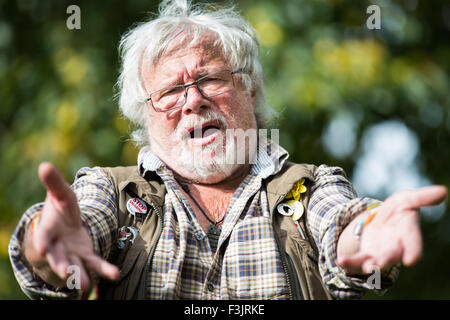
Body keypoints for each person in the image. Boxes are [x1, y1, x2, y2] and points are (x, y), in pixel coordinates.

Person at [9, 0, 447, 300]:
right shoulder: (112, 191)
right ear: (145, 115)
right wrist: (47, 245)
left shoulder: (310, 187)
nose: (193, 100)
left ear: (251, 90)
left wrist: (366, 233)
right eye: (170, 91)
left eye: (211, 79)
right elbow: (68, 242)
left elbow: (340, 221)